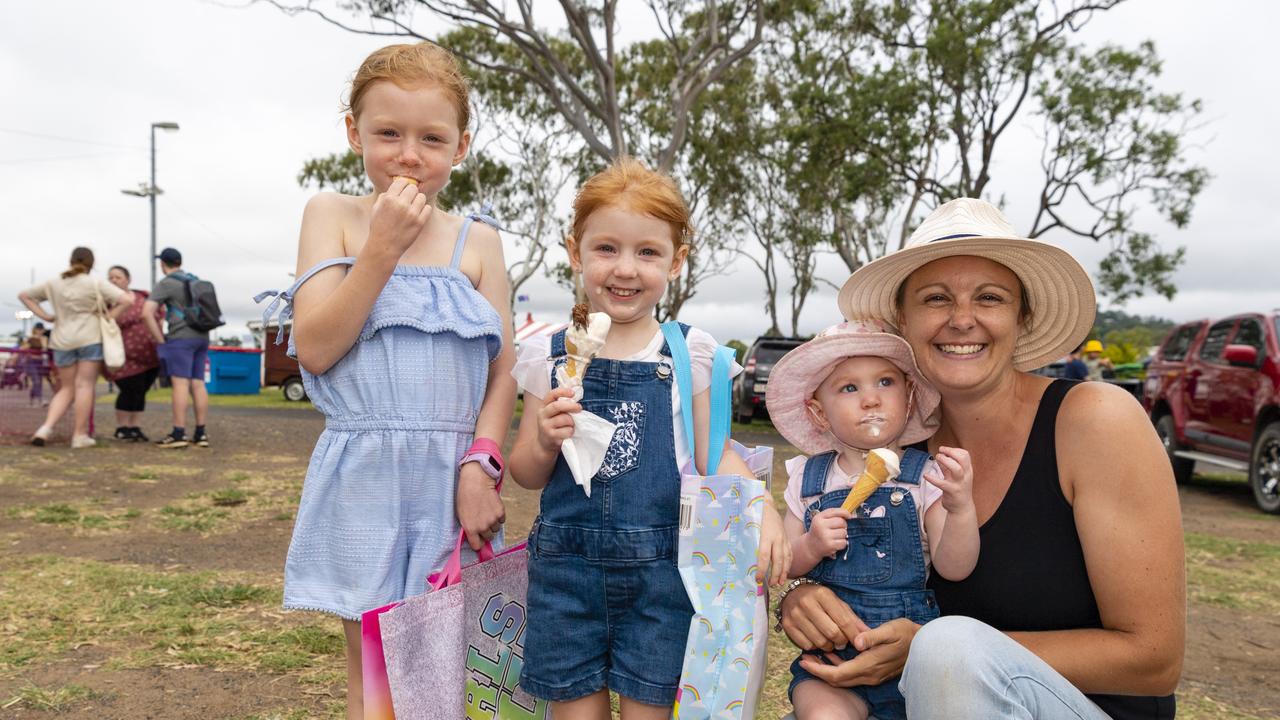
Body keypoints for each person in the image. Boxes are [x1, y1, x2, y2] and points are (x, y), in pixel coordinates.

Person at [778, 198, 1184, 719]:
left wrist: (927, 650)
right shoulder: (902, 459)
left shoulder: (1093, 420)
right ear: (903, 320)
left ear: (1022, 317)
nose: (962, 320)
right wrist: (799, 597)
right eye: (935, 298)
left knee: (949, 649)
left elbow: (1153, 659)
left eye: (989, 298)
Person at [255, 42, 513, 720]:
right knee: (378, 677)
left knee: (454, 670)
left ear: (461, 146)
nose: (409, 154)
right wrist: (381, 249)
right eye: (388, 134)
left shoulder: (478, 242)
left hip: (454, 478)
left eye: (431, 138)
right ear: (353, 133)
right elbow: (315, 347)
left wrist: (481, 465)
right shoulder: (331, 215)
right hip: (367, 476)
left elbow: (503, 369)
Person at [507, 157, 791, 720]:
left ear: (676, 261)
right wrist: (544, 438)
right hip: (567, 573)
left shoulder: (693, 354)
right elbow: (527, 472)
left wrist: (766, 508)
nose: (625, 269)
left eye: (648, 253)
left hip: (666, 575)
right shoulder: (550, 353)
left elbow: (717, 456)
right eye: (606, 248)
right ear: (575, 251)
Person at [766, 319, 978, 720]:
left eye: (885, 382)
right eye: (849, 388)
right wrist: (810, 545)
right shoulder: (807, 479)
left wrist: (961, 508)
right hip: (830, 664)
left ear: (910, 398)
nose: (871, 400)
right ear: (819, 412)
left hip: (912, 662)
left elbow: (955, 567)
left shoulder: (925, 476)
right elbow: (785, 565)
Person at [18, 246, 133, 448]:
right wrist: (108, 317)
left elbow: (24, 295)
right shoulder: (95, 283)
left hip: (61, 339)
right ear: (91, 263)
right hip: (90, 338)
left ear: (71, 260)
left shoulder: (54, 283)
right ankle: (79, 435)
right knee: (84, 385)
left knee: (66, 388)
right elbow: (127, 299)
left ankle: (45, 428)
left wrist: (45, 316)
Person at [142, 247, 212, 448]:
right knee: (198, 383)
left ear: (162, 264)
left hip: (180, 338)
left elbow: (146, 313)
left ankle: (178, 433)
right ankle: (200, 434)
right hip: (202, 337)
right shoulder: (195, 280)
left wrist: (160, 339)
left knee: (180, 384)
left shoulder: (166, 283)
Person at [107, 265, 163, 441]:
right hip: (123, 355)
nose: (114, 280)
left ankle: (135, 426)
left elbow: (159, 313)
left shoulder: (143, 296)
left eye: (118, 277)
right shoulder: (108, 301)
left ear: (128, 279)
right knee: (129, 389)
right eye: (111, 278)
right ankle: (122, 427)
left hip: (150, 354)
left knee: (141, 390)